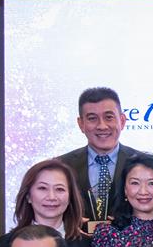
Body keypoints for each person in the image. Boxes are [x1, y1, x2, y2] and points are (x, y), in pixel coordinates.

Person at [58, 87, 143, 226]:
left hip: (131, 246)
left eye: (109, 117)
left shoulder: (143, 164)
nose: (102, 126)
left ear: (122, 120)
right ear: (81, 124)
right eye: (92, 119)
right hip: (74, 244)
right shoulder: (61, 166)